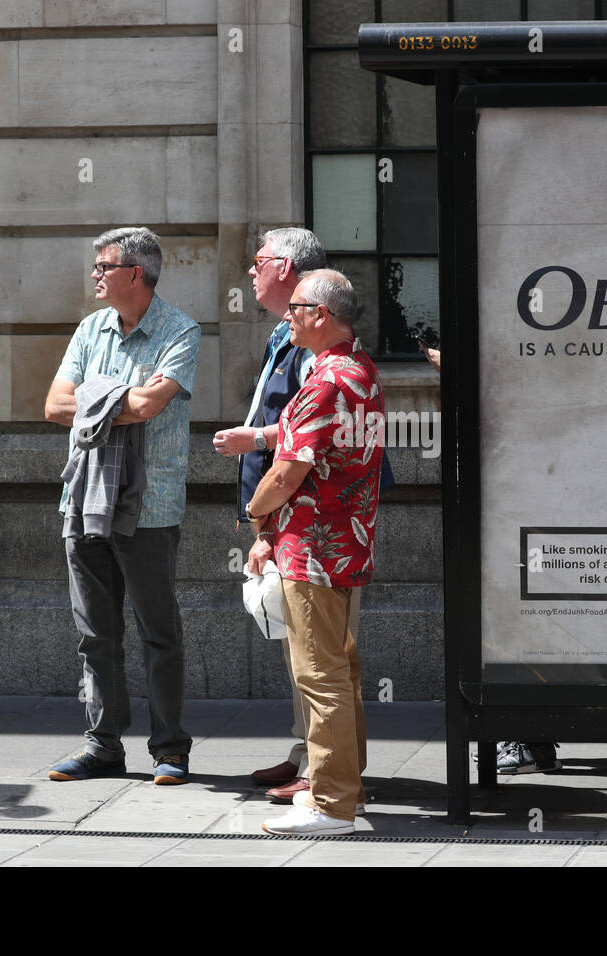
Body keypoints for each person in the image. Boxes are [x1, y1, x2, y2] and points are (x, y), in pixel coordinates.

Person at [43, 226, 201, 785]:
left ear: (135, 273)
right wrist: (117, 396)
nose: (94, 275)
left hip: (149, 505)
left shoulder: (180, 331)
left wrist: (96, 396)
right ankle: (102, 746)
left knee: (159, 631)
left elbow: (150, 407)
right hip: (82, 498)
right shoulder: (90, 330)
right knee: (94, 635)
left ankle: (170, 750)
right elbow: (53, 404)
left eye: (104, 266)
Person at [247, 269, 382, 836]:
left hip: (314, 549)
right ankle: (346, 790)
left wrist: (257, 516)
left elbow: (286, 475)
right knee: (342, 672)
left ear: (321, 314)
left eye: (296, 307)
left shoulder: (326, 380)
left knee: (320, 675)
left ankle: (331, 804)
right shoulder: (361, 370)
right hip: (348, 542)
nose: (288, 315)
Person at [212, 228, 324, 802]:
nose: (249, 273)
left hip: (313, 522)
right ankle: (305, 754)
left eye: (258, 263)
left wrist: (252, 438)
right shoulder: (286, 332)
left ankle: (325, 775)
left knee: (319, 653)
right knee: (294, 643)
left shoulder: (315, 339)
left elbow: (310, 437)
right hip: (286, 517)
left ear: (286, 268)